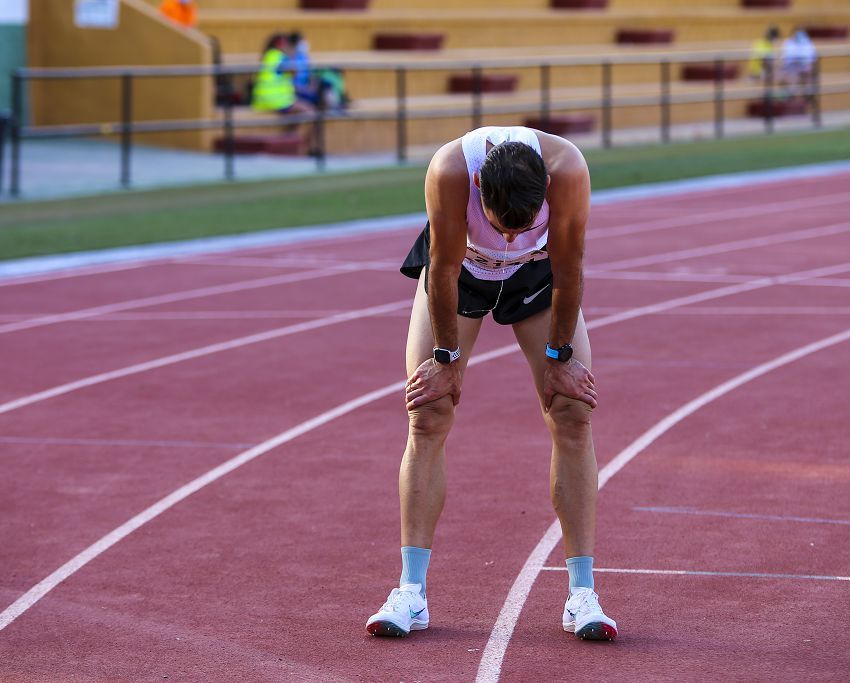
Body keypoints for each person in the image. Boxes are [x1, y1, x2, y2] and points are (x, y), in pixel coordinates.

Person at [364, 126, 618, 641]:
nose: (506, 238)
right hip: (462, 274)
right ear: (480, 186)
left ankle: (582, 595)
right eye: (501, 226)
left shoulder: (568, 171)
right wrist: (446, 357)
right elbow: (442, 267)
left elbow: (569, 270)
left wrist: (560, 355)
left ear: (544, 188)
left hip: (539, 275)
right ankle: (411, 593)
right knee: (428, 410)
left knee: (572, 410)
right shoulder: (451, 171)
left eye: (518, 227)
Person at [251, 33, 316, 151]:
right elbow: (294, 71)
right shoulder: (280, 56)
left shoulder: (269, 56)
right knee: (311, 112)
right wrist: (292, 54)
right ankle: (308, 146)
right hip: (276, 101)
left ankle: (289, 140)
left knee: (297, 115)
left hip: (264, 100)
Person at [780, 27, 816, 96]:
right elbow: (784, 58)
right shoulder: (787, 43)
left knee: (808, 70)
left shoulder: (808, 43)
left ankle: (806, 94)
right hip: (791, 66)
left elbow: (811, 59)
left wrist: (803, 62)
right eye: (795, 34)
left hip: (804, 66)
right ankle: (790, 93)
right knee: (787, 71)